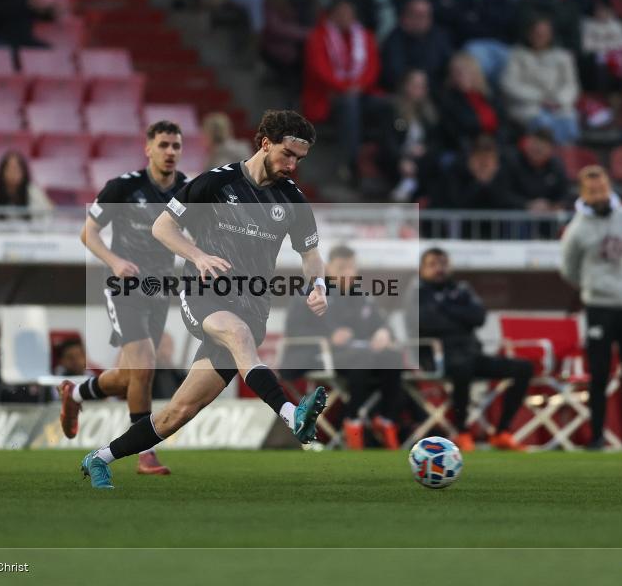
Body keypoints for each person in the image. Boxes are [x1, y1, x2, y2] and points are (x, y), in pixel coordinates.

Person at [79, 110, 328, 489]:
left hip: (253, 306)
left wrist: (319, 286)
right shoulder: (216, 182)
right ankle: (292, 414)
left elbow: (311, 255)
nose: (292, 165)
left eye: (299, 159)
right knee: (239, 334)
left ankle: (100, 458)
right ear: (265, 144)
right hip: (204, 293)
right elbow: (164, 226)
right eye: (287, 154)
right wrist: (197, 256)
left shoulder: (292, 201)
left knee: (178, 412)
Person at [59, 121, 189, 476]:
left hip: (160, 289)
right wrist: (115, 262)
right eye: (163, 145)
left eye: (176, 146)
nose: (170, 152)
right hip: (124, 287)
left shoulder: (188, 190)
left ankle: (76, 395)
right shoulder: (124, 187)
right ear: (148, 148)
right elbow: (89, 233)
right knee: (144, 365)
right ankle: (145, 451)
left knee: (134, 374)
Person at [407, 247, 531, 452]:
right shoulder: (416, 291)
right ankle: (461, 430)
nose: (439, 269)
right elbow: (425, 323)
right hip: (435, 357)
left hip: (470, 353)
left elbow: (479, 316)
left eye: (443, 264)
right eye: (432, 264)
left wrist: (444, 307)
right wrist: (461, 317)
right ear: (421, 269)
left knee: (523, 368)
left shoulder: (461, 288)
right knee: (461, 367)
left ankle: (502, 431)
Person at [283, 244, 404, 450]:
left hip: (354, 355)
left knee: (392, 356)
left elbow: (382, 324)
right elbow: (293, 330)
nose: (347, 273)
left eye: (351, 267)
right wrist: (329, 337)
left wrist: (384, 332)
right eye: (341, 268)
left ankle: (385, 419)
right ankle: (352, 420)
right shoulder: (311, 292)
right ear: (328, 268)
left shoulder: (362, 296)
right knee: (361, 358)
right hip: (315, 356)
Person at [560, 165, 622, 449]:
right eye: (592, 191)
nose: (599, 195)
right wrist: (593, 286)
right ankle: (597, 436)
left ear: (609, 187)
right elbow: (568, 269)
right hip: (599, 306)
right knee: (598, 374)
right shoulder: (576, 230)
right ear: (583, 193)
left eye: (602, 188)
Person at [301, 0, 381, 176]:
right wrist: (345, 87)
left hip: (361, 92)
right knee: (349, 104)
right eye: (341, 13)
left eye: (349, 14)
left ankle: (381, 162)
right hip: (328, 96)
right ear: (332, 15)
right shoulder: (318, 37)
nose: (345, 17)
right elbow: (319, 71)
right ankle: (351, 162)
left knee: (386, 105)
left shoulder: (365, 37)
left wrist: (359, 86)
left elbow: (372, 68)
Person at [501, 16, 580, 144]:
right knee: (544, 123)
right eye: (537, 33)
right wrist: (540, 98)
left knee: (569, 122)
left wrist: (558, 100)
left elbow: (571, 85)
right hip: (528, 106)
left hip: (557, 105)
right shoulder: (516, 55)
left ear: (550, 35)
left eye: (544, 33)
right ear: (529, 34)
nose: (540, 37)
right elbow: (508, 84)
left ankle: (566, 157)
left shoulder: (563, 56)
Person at [380, 0, 453, 91]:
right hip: (404, 93)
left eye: (425, 15)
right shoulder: (394, 39)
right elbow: (394, 74)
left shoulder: (439, 36)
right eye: (416, 15)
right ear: (405, 17)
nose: (421, 19)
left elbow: (448, 65)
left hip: (437, 91)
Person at [388, 68, 440, 203]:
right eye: (415, 85)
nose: (419, 90)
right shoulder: (394, 111)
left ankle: (412, 188)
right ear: (405, 86)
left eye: (422, 86)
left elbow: (435, 140)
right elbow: (389, 140)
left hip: (421, 160)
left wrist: (425, 148)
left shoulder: (429, 114)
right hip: (398, 157)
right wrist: (400, 159)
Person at [439, 52, 505, 153]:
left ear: (475, 73)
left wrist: (496, 142)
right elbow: (455, 134)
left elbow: (503, 123)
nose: (462, 76)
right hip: (467, 150)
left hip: (496, 146)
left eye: (466, 72)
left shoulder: (489, 94)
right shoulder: (448, 99)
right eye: (457, 72)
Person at [511, 128, 569, 212]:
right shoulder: (512, 161)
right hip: (514, 218)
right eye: (534, 145)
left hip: (546, 219)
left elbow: (564, 193)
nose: (536, 150)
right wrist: (527, 204)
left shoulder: (556, 166)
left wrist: (554, 205)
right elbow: (503, 194)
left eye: (540, 149)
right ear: (527, 144)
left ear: (550, 149)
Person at [0, 151, 52, 217]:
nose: (13, 172)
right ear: (2, 173)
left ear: (24, 172)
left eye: (17, 168)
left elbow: (47, 218)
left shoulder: (35, 193)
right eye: (9, 168)